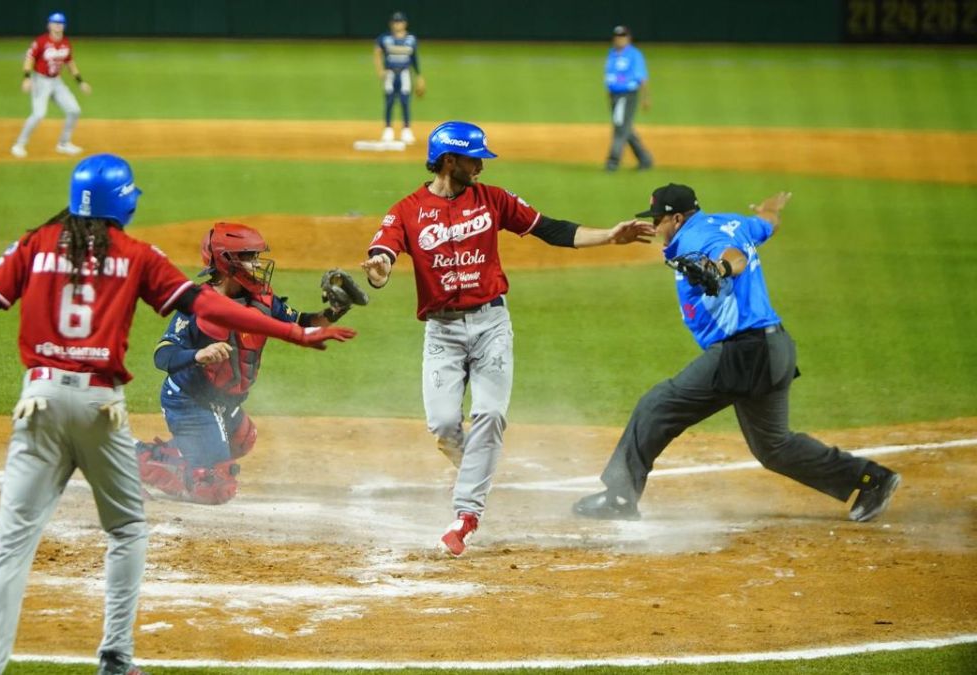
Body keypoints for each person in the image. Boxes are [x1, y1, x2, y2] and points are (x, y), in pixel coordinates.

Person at [0, 154, 355, 675]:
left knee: (11, 545)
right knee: (126, 532)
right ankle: (115, 661)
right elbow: (208, 309)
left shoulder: (33, 246)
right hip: (100, 407)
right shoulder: (136, 255)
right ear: (123, 202)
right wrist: (298, 334)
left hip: (37, 402)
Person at [361, 120, 655, 557]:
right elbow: (382, 253)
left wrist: (609, 236)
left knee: (490, 414)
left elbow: (551, 229)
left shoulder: (493, 200)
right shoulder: (406, 210)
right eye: (473, 158)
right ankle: (473, 466)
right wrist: (379, 269)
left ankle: (465, 515)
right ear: (448, 161)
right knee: (443, 425)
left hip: (490, 326)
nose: (480, 165)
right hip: (441, 332)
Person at [571, 183, 900, 523]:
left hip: (744, 351)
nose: (656, 227)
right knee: (774, 448)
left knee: (657, 407)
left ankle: (620, 496)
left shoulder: (698, 239)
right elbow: (768, 224)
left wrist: (719, 269)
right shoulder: (733, 222)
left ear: (678, 217)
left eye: (659, 219)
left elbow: (733, 256)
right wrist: (770, 208)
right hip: (775, 348)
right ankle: (872, 479)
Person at [135, 222, 358, 504]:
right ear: (227, 262)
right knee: (215, 490)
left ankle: (173, 456)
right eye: (249, 257)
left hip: (225, 401)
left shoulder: (262, 299)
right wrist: (198, 355)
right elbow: (163, 354)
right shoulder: (199, 305)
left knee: (242, 439)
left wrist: (336, 310)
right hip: (190, 401)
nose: (257, 264)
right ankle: (135, 462)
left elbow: (303, 322)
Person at [11, 12, 92, 159]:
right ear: (49, 25)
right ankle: (19, 144)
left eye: (60, 23)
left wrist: (80, 81)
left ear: (64, 26)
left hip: (57, 82)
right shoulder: (41, 42)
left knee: (74, 110)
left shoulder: (65, 43)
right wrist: (27, 77)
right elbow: (29, 58)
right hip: (40, 80)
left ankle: (64, 144)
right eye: (55, 23)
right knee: (39, 114)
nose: (57, 26)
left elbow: (70, 63)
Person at [603, 25, 653, 172]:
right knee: (626, 128)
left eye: (623, 36)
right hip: (614, 96)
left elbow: (642, 77)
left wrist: (646, 97)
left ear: (628, 38)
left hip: (627, 95)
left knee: (620, 128)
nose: (620, 39)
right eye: (618, 36)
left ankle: (613, 161)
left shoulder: (634, 55)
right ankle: (645, 159)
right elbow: (609, 77)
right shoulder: (611, 53)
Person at [373, 11, 425, 145]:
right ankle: (388, 129)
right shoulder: (385, 38)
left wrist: (419, 76)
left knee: (405, 101)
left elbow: (414, 59)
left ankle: (406, 130)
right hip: (390, 73)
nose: (398, 24)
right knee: (389, 101)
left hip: (405, 73)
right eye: (395, 22)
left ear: (405, 23)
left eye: (400, 22)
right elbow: (377, 52)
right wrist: (380, 70)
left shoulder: (411, 39)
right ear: (391, 24)